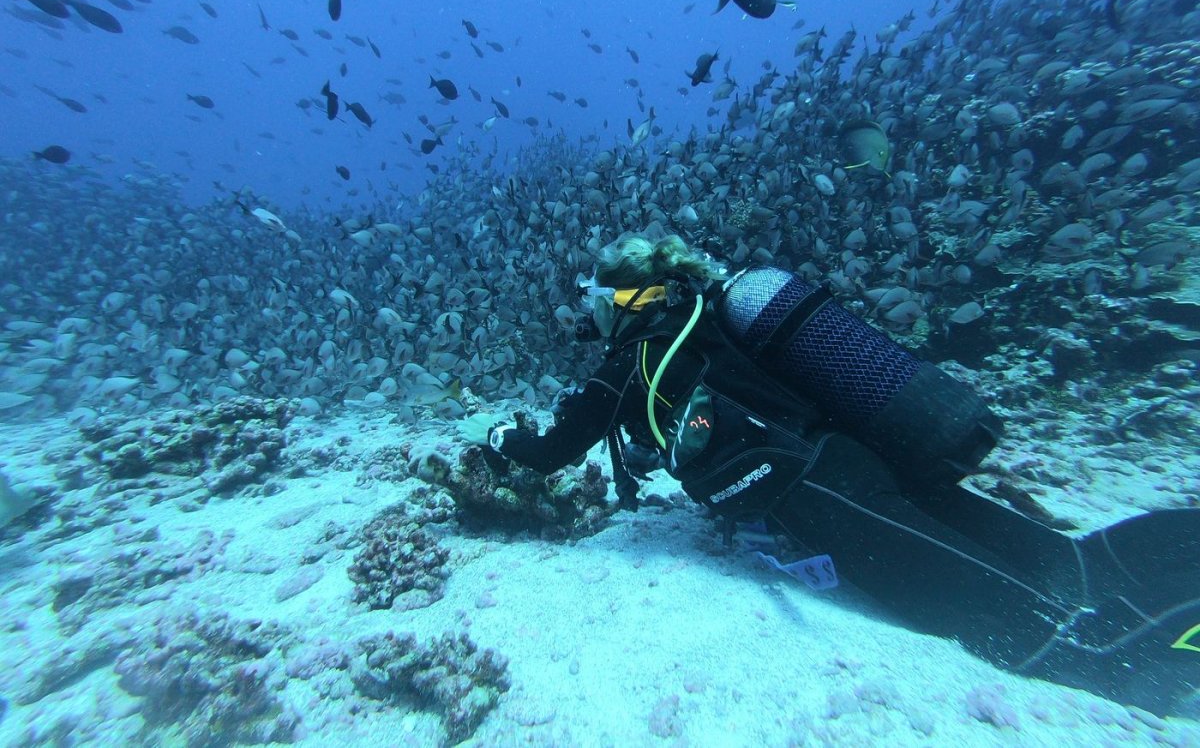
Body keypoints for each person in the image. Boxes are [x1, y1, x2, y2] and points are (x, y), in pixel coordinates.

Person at [472, 233, 1199, 717]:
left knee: (1026, 633)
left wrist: (502, 438)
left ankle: (1157, 660)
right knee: (1072, 564)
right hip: (860, 450)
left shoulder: (633, 359)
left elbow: (555, 449)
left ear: (627, 302)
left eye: (599, 302)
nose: (594, 317)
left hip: (820, 493)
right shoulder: (713, 314)